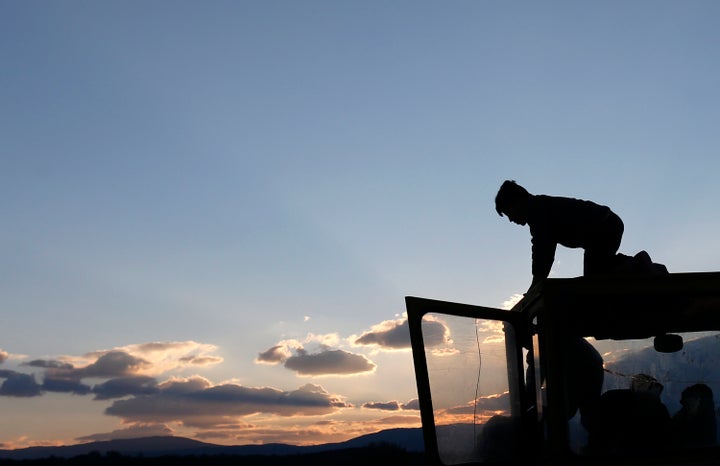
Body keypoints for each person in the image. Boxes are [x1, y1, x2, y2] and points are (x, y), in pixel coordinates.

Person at [495, 180, 624, 291]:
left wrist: (535, 287)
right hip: (606, 226)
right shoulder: (538, 209)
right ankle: (627, 264)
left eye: (509, 213)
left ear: (516, 202)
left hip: (604, 228)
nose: (511, 219)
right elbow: (542, 252)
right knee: (598, 277)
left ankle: (632, 265)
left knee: (591, 284)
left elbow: (543, 252)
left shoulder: (538, 212)